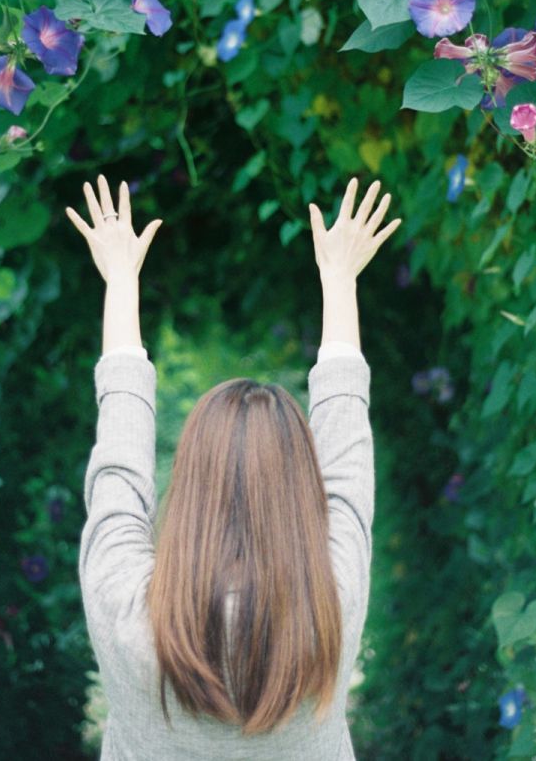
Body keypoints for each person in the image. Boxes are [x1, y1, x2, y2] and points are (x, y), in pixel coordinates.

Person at [65, 175, 402, 760]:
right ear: (305, 492)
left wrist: (120, 282)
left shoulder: (127, 610)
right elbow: (348, 457)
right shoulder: (331, 604)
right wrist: (340, 279)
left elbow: (118, 468)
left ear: (190, 483)